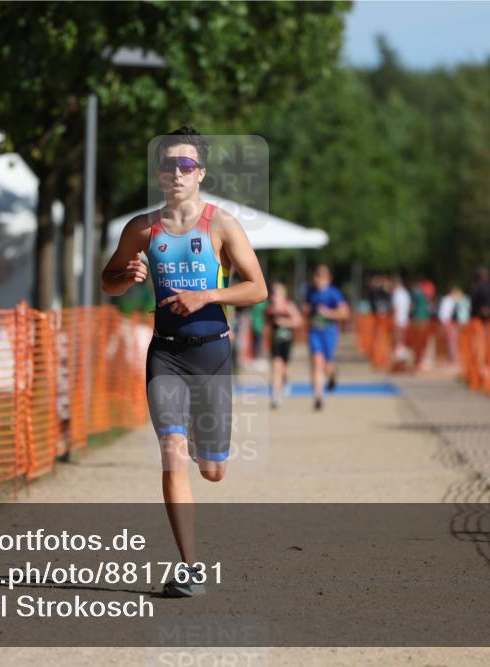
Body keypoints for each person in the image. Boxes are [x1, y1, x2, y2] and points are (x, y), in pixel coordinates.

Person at [101, 127, 267, 597]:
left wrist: (208, 295)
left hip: (212, 351)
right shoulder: (141, 228)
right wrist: (125, 274)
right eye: (169, 164)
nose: (177, 172)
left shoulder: (221, 224)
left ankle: (202, 441)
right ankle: (190, 568)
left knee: (212, 471)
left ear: (201, 174)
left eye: (186, 165)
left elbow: (257, 288)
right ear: (159, 172)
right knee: (171, 454)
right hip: (166, 353)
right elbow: (109, 282)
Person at [304, 264, 349, 411]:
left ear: (329, 278)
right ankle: (318, 397)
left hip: (329, 332)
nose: (318, 278)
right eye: (316, 275)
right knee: (317, 362)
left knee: (327, 364)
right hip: (315, 332)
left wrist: (328, 313)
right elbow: (306, 310)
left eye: (321, 275)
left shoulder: (334, 293)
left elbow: (344, 313)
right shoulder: (310, 292)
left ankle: (332, 374)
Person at [266, 282, 303, 408]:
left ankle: (286, 382)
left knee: (284, 369)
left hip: (287, 341)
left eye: (276, 293)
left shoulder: (289, 306)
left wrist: (285, 322)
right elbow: (268, 325)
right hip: (275, 342)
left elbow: (299, 321)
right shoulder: (270, 308)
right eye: (273, 293)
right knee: (276, 368)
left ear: (283, 294)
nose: (273, 296)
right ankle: (276, 397)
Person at [437, 285, 468, 364]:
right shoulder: (449, 300)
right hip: (449, 322)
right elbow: (445, 313)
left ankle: (453, 357)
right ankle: (453, 358)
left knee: (452, 341)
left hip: (451, 322)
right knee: (452, 341)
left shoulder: (451, 300)